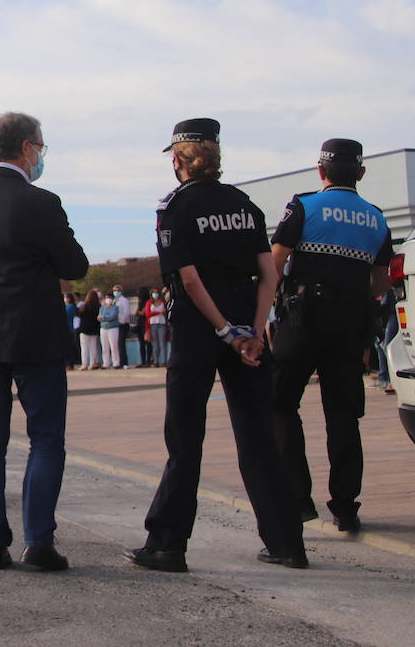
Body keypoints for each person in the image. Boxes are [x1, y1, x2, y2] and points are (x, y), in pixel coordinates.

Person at [126, 118, 306, 573]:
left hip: (197, 327)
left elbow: (188, 278)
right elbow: (270, 273)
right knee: (258, 437)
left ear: (177, 159)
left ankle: (168, 544)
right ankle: (287, 543)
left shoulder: (175, 207)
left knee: (185, 439)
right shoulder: (243, 204)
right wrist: (251, 330)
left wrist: (224, 329)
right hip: (247, 326)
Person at [0, 111, 89, 572]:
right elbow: (75, 265)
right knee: (45, 440)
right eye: (41, 147)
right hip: (37, 337)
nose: (42, 155)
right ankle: (39, 542)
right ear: (26, 148)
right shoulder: (42, 202)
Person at [270, 138, 392, 534]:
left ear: (320, 171)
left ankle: (297, 499)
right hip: (350, 322)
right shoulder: (376, 217)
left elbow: (276, 260)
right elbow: (380, 280)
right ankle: (345, 506)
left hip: (303, 318)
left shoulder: (304, 205)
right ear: (360, 174)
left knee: (280, 404)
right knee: (343, 415)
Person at [144, 290, 170, 368]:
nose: (155, 294)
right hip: (152, 324)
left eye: (156, 293)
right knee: (155, 344)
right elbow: (148, 314)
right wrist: (158, 312)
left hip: (162, 323)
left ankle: (164, 361)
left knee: (162, 343)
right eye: (154, 293)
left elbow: (166, 312)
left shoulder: (162, 302)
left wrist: (162, 312)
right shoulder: (149, 303)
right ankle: (156, 361)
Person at [77, 289, 101, 369]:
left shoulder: (84, 306)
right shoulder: (98, 306)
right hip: (94, 329)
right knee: (93, 347)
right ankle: (92, 364)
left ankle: (84, 364)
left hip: (84, 329)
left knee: (84, 348)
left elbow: (79, 315)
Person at [99, 294, 121, 368]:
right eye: (107, 298)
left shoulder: (115, 308)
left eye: (110, 298)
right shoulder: (102, 308)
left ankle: (116, 362)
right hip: (103, 328)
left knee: (114, 346)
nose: (108, 299)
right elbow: (99, 318)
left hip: (113, 328)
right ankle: (106, 363)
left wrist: (104, 317)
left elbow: (112, 316)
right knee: (104, 347)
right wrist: (104, 318)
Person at [112, 285, 132, 366]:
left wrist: (122, 321)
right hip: (115, 324)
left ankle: (124, 362)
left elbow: (126, 312)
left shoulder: (124, 300)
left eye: (118, 290)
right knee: (116, 344)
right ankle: (117, 361)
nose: (116, 292)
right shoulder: (114, 301)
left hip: (123, 324)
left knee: (121, 343)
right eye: (114, 290)